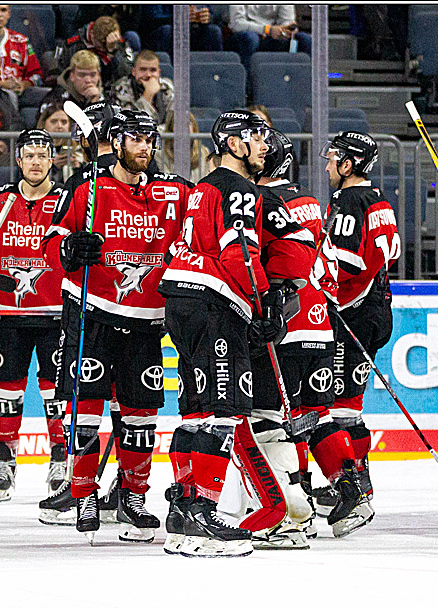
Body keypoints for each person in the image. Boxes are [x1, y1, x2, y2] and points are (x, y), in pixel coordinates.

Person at [158, 110, 315, 557]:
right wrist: (264, 303)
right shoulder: (241, 189)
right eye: (255, 137)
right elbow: (240, 252)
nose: (265, 145)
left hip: (181, 300)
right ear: (232, 143)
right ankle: (203, 517)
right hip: (215, 303)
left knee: (196, 412)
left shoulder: (203, 187)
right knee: (223, 412)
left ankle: (183, 514)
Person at [44, 109, 192, 544]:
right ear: (117, 142)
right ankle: (83, 493)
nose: (144, 147)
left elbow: (194, 231)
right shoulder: (85, 186)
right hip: (91, 310)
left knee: (141, 414)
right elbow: (52, 241)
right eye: (135, 139)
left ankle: (133, 497)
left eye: (149, 139)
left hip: (147, 319)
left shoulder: (173, 191)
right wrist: (70, 248)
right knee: (85, 408)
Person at [255, 129, 369, 541]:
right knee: (317, 415)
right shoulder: (311, 202)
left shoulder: (259, 202)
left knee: (271, 419)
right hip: (320, 322)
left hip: (284, 323)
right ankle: (351, 492)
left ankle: (291, 507)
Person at [0, 130, 65, 505]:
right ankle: (5, 461)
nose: (36, 162)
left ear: (52, 160)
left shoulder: (64, 202)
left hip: (55, 313)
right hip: (7, 312)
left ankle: (60, 460)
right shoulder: (0, 201)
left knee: (56, 393)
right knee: (5, 392)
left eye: (43, 155)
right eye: (29, 155)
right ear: (19, 159)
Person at [318, 131, 400, 533]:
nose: (328, 165)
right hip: (377, 308)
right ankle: (359, 478)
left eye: (334, 158)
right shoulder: (380, 201)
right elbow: (388, 253)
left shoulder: (349, 201)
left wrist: (317, 267)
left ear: (349, 164)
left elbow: (348, 262)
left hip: (352, 311)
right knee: (350, 402)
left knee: (337, 405)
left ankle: (352, 480)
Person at [55, 15, 133, 87]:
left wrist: (113, 52)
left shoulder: (119, 43)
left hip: (111, 89)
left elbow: (127, 75)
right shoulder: (73, 45)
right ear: (92, 33)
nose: (103, 49)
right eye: (101, 44)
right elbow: (60, 74)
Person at [228, 5, 312, 66]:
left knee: (305, 39)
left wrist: (285, 30)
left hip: (274, 36)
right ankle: (248, 81)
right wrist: (267, 30)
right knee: (250, 38)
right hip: (247, 34)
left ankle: (313, 80)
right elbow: (236, 24)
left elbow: (287, 20)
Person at [109, 50, 175, 124]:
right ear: (134, 71)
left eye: (153, 70)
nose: (148, 75)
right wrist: (148, 95)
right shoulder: (121, 88)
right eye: (143, 70)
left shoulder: (167, 86)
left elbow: (173, 121)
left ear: (158, 72)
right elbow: (131, 124)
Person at [37, 50, 106, 121]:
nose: (88, 80)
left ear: (98, 76)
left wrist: (97, 104)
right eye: (82, 75)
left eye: (93, 75)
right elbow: (42, 125)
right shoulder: (56, 99)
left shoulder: (108, 97)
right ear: (72, 76)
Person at [156, 110, 208, 184]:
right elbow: (168, 183)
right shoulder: (160, 155)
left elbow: (205, 181)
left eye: (187, 124)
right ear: (171, 129)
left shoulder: (203, 152)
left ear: (193, 128)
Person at [145, 5, 223, 54]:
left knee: (214, 31)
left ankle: (215, 70)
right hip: (167, 30)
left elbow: (214, 17)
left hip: (195, 30)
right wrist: (178, 17)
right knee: (167, 31)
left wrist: (207, 17)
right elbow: (152, 19)